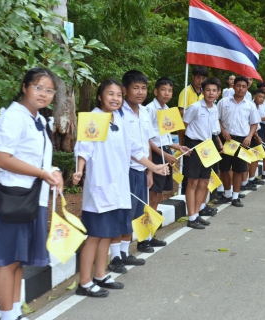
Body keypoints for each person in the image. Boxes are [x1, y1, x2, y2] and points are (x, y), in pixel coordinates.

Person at [73, 79, 168, 297]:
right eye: (110, 94)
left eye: (118, 95)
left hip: (118, 187)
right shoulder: (95, 118)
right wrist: (79, 170)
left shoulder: (120, 118)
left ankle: (100, 275)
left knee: (108, 234)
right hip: (99, 188)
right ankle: (84, 283)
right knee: (95, 236)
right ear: (100, 96)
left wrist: (153, 166)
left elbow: (135, 149)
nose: (115, 98)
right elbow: (83, 149)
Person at [0, 68, 63, 320]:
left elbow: (38, 158)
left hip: (32, 199)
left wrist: (54, 171)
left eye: (49, 90)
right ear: (24, 87)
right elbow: (2, 158)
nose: (43, 94)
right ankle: (7, 316)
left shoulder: (38, 119)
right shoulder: (13, 116)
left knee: (19, 260)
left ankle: (15, 313)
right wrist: (42, 174)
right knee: (7, 261)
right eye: (38, 87)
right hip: (11, 199)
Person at [120, 70, 158, 256]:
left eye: (143, 88)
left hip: (142, 170)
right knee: (126, 213)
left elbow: (147, 143)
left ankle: (142, 242)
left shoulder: (144, 112)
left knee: (140, 211)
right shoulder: (120, 113)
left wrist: (149, 172)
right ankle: (121, 254)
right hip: (126, 170)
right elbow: (130, 148)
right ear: (125, 90)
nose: (140, 92)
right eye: (136, 88)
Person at [146, 77, 190, 231]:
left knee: (159, 194)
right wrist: (163, 154)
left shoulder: (168, 110)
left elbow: (165, 137)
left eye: (170, 90)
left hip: (165, 151)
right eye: (163, 89)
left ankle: (153, 229)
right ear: (156, 91)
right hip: (155, 155)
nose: (167, 93)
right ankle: (147, 231)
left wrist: (178, 147)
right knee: (153, 193)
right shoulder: (150, 109)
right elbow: (147, 139)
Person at [182, 77, 222, 228]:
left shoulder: (214, 108)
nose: (211, 93)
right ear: (203, 91)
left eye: (214, 90)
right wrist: (182, 147)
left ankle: (197, 213)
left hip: (208, 146)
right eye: (208, 90)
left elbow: (213, 130)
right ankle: (191, 217)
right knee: (193, 182)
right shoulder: (195, 107)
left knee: (204, 182)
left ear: (218, 93)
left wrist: (218, 143)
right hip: (193, 145)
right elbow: (182, 127)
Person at [218, 76, 260, 207]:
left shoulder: (250, 105)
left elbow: (254, 123)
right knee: (224, 168)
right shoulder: (223, 102)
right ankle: (227, 193)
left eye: (244, 86)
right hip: (225, 138)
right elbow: (217, 119)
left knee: (238, 169)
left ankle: (236, 197)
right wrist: (223, 131)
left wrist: (249, 137)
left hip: (242, 140)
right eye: (238, 86)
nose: (240, 89)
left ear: (247, 88)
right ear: (233, 86)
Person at [177, 66, 208, 145]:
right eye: (198, 78)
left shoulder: (205, 93)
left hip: (200, 129)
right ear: (193, 77)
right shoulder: (186, 91)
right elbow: (181, 111)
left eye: (203, 78)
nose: (200, 81)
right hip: (186, 128)